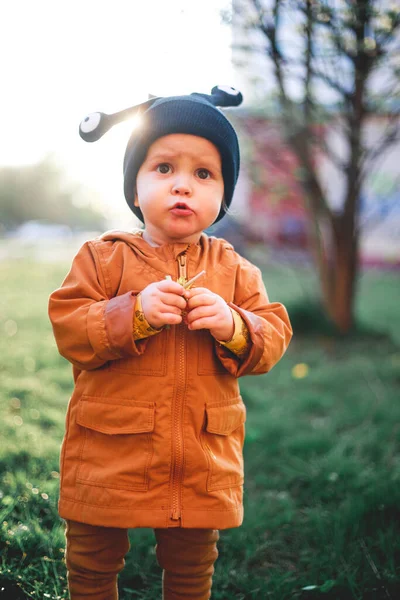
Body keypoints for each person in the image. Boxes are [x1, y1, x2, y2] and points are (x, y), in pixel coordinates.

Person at [48, 85, 293, 600]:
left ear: (222, 197)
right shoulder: (103, 258)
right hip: (108, 452)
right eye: (163, 168)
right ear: (134, 189)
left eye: (203, 173)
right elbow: (69, 324)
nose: (183, 185)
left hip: (200, 457)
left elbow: (273, 335)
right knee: (92, 560)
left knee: (191, 566)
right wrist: (131, 313)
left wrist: (234, 324)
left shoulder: (235, 270)